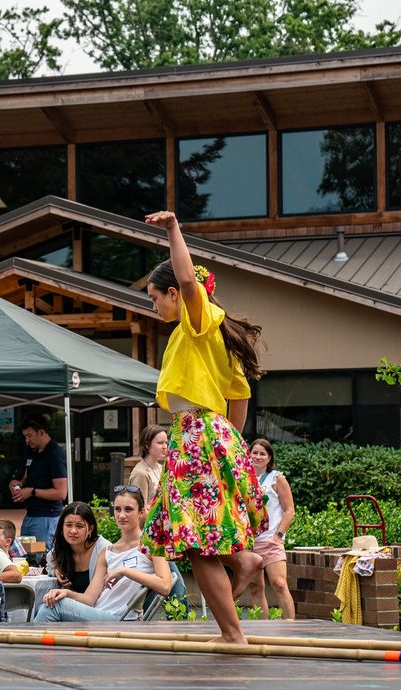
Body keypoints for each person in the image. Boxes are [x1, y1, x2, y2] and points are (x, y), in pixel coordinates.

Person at [141, 210, 265, 645]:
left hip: (198, 434)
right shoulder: (217, 336)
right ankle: (243, 561)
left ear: (174, 294)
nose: (153, 305)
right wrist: (227, 443)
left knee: (195, 543)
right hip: (213, 435)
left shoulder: (198, 321)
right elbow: (241, 394)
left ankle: (233, 634)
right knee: (203, 535)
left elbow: (190, 282)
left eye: (156, 297)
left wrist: (173, 230)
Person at [35, 486, 172, 622]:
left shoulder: (152, 545)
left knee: (53, 606)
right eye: (117, 509)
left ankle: (25, 641)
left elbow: (165, 586)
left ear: (141, 512)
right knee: (50, 601)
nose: (122, 515)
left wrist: (124, 571)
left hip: (121, 620)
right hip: (99, 613)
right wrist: (66, 593)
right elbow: (89, 599)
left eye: (128, 509)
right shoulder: (107, 552)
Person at [242, 439, 296, 620]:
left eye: (262, 454)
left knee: (279, 584)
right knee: (256, 588)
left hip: (271, 541)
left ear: (269, 457)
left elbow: (289, 511)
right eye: (254, 453)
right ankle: (262, 631)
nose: (257, 457)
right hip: (250, 543)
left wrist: (278, 535)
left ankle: (290, 626)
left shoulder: (277, 479)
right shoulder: (242, 478)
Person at [11, 415, 68, 548]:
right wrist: (18, 484)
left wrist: (31, 492)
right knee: (25, 554)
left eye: (29, 435)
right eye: (25, 436)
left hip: (47, 517)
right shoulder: (33, 451)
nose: (26, 440)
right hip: (31, 514)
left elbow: (61, 493)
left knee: (41, 556)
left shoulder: (54, 454)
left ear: (41, 432)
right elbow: (26, 476)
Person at [45, 501, 111, 592]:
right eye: (68, 525)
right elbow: (49, 566)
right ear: (61, 527)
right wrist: (55, 571)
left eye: (80, 526)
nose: (73, 531)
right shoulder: (58, 551)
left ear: (90, 529)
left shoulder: (104, 549)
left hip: (99, 604)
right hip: (72, 603)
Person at [128, 425, 168, 509]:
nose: (165, 447)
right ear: (147, 445)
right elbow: (139, 510)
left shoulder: (162, 468)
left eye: (166, 443)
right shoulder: (141, 473)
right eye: (160, 443)